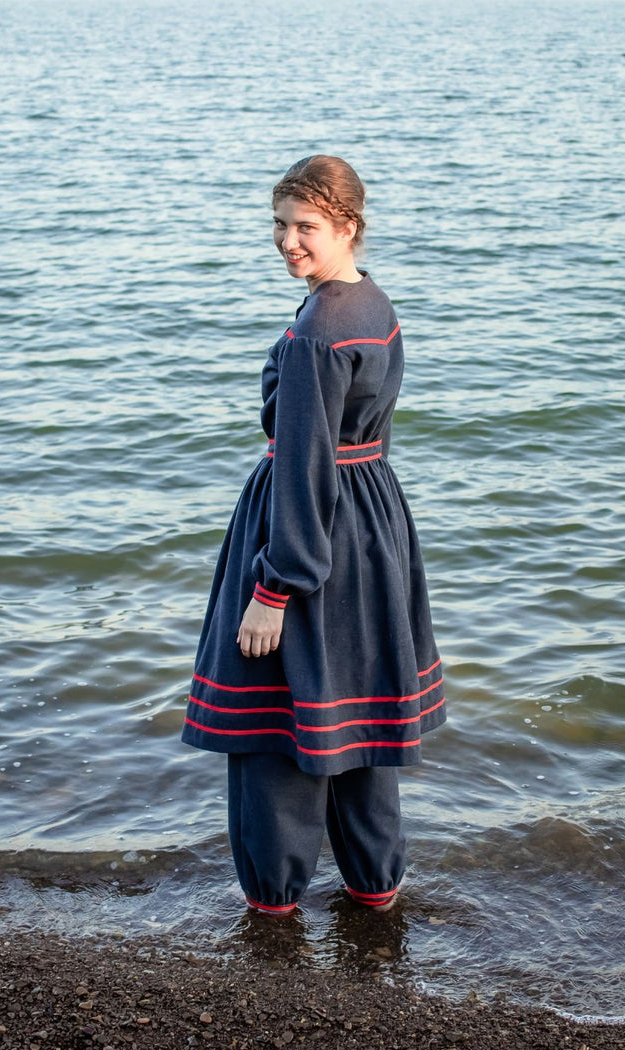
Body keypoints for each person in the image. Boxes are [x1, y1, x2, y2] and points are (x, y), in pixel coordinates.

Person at [183, 155, 446, 916]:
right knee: (357, 715)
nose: (286, 241)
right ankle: (375, 889)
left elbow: (300, 469)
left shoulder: (314, 334)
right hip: (371, 527)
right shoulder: (372, 304)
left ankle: (273, 906)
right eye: (278, 224)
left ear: (346, 228)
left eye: (305, 227)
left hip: (308, 534)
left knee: (273, 729)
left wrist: (273, 589)